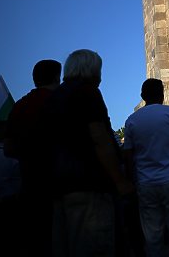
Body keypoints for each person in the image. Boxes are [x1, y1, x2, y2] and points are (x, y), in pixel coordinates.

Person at [44, 50, 134, 257]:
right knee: (96, 248)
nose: (100, 76)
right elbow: (99, 137)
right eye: (99, 70)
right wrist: (119, 180)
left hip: (59, 190)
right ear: (90, 69)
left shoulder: (53, 97)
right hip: (89, 188)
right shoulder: (87, 92)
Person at [123, 79, 169, 257]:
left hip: (146, 183)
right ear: (162, 94)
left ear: (142, 96)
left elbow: (128, 155)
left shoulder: (132, 121)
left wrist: (132, 182)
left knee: (152, 238)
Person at [4, 59, 61, 257]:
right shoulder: (61, 101)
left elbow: (9, 149)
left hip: (30, 187)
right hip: (60, 186)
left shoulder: (18, 107)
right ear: (56, 76)